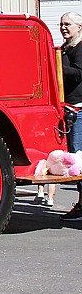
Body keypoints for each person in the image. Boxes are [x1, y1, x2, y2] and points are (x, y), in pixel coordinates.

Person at [59, 12, 82, 220]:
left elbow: (78, 73)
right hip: (69, 108)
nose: (64, 27)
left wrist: (57, 67)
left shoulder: (81, 49)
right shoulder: (65, 48)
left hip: (79, 109)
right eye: (61, 24)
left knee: (79, 157)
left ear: (79, 27)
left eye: (68, 24)